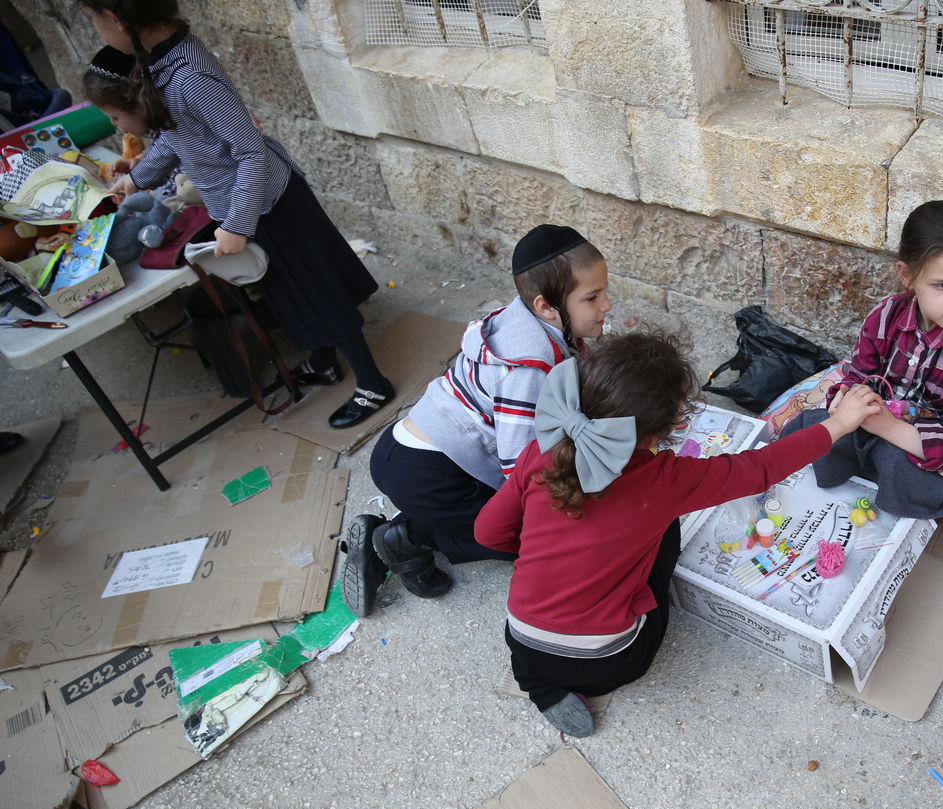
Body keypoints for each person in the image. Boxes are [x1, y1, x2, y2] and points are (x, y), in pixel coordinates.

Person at [474, 331, 883, 737]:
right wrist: (840, 423)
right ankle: (565, 678)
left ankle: (539, 686)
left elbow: (488, 533)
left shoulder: (538, 452)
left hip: (524, 642)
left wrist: (551, 554)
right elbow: (761, 468)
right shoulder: (665, 480)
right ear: (658, 431)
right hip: (611, 662)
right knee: (665, 527)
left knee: (542, 646)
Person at [78, 1, 391, 430]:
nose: (97, 30)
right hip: (248, 205)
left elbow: (249, 150)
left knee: (318, 296)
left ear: (116, 18)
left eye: (95, 20)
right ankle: (324, 362)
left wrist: (236, 225)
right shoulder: (166, 62)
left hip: (268, 205)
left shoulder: (188, 77)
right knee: (292, 296)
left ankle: (373, 383)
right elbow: (178, 135)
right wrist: (138, 178)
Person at [338, 224, 611, 616]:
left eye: (603, 291)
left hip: (410, 451)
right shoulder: (528, 369)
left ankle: (412, 524)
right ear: (546, 306)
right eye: (592, 297)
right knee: (534, 536)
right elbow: (520, 468)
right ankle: (402, 540)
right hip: (427, 472)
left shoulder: (522, 320)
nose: (607, 305)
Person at [781, 199, 943, 568]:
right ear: (907, 275)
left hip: (939, 441)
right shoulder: (886, 316)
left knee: (895, 463)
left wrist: (889, 428)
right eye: (942, 285)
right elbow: (858, 374)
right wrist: (846, 398)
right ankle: (870, 478)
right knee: (812, 430)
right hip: (884, 415)